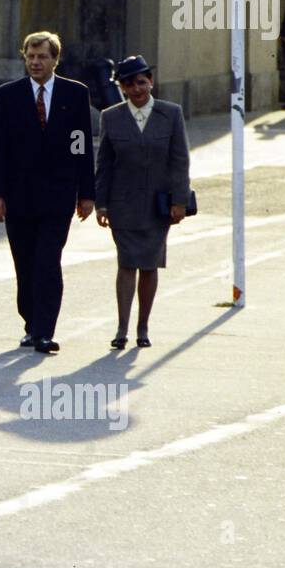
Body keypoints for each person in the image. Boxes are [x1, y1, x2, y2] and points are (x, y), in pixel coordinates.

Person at [0, 31, 95, 355]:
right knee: (25, 264)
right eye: (31, 57)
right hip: (18, 197)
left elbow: (81, 146)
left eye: (42, 57)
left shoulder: (75, 94)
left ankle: (45, 331)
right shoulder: (8, 95)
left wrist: (86, 193)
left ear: (55, 60)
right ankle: (31, 324)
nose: (35, 62)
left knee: (48, 262)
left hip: (57, 196)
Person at [94, 55, 190, 350]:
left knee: (149, 264)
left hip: (158, 205)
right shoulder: (111, 117)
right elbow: (104, 164)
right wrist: (101, 204)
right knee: (126, 263)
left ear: (151, 81)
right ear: (121, 88)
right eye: (128, 84)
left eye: (141, 82)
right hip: (122, 203)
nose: (136, 89)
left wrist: (180, 201)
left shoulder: (171, 114)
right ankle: (122, 327)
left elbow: (180, 160)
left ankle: (143, 326)